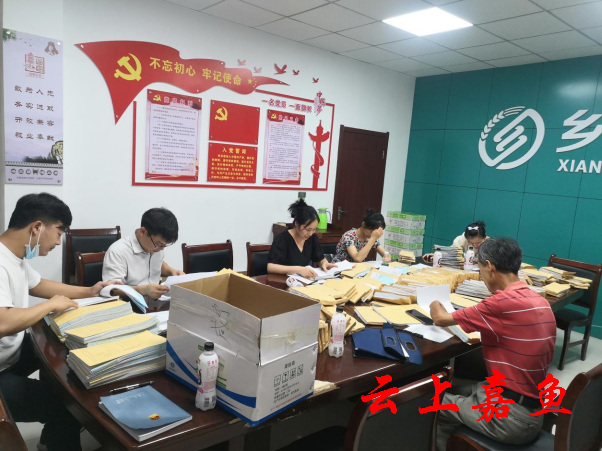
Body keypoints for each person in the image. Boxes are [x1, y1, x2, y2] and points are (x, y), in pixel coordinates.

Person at [0, 193, 121, 451]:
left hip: (9, 354)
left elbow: (39, 284)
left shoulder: (14, 256)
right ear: (37, 227)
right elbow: (3, 323)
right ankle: (59, 430)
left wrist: (90, 291)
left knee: (64, 352)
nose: (59, 241)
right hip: (2, 367)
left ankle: (51, 439)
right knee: (68, 407)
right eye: (59, 231)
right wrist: (49, 305)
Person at [429, 238, 556, 451]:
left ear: (489, 266)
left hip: (510, 417)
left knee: (433, 405)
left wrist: (433, 299)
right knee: (449, 388)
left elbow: (440, 318)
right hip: (532, 406)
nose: (481, 276)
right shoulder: (540, 301)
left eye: (480, 269)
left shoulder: (500, 303)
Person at [103, 208, 184, 300]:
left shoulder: (155, 247)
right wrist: (143, 290)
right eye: (159, 244)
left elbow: (158, 264)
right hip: (129, 303)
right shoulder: (118, 251)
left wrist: (172, 272)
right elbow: (112, 290)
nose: (161, 249)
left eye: (164, 245)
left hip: (156, 301)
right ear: (143, 231)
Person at [268, 199, 337, 278]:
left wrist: (324, 263)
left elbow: (320, 258)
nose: (310, 233)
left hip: (303, 281)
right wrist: (299, 270)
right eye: (308, 229)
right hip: (283, 280)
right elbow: (271, 267)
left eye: (314, 229)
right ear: (297, 223)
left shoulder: (312, 238)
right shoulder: (283, 239)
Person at [423, 220, 488, 263]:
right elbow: (452, 251)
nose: (475, 245)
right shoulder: (463, 239)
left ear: (484, 237)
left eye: (478, 243)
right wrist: (437, 256)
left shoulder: (490, 244)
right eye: (471, 243)